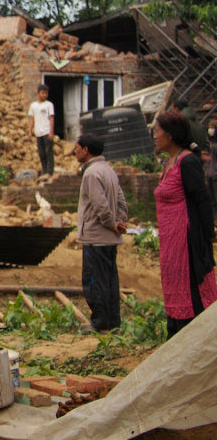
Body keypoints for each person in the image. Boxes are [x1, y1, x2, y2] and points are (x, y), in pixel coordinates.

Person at [152, 111, 217, 338]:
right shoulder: (170, 161)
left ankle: (194, 343)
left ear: (170, 135)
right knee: (173, 288)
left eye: (157, 130)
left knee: (191, 291)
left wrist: (209, 234)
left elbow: (202, 199)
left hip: (187, 243)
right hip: (170, 244)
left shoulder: (187, 161)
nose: (154, 135)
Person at [74, 134, 128, 332]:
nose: (75, 152)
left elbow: (100, 205)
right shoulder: (108, 170)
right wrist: (120, 221)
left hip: (96, 237)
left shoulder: (91, 174)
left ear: (86, 150)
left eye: (77, 148)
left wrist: (112, 224)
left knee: (94, 281)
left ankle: (100, 323)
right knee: (110, 281)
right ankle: (113, 323)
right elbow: (121, 199)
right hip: (109, 239)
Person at [28, 84, 56, 175]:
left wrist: (51, 132)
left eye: (46, 93)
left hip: (46, 132)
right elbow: (32, 119)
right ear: (38, 93)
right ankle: (44, 171)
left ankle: (50, 172)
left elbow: (52, 118)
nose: (44, 95)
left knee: (49, 153)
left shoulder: (49, 105)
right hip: (38, 133)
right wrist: (30, 132)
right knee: (41, 153)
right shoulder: (33, 106)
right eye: (42, 93)